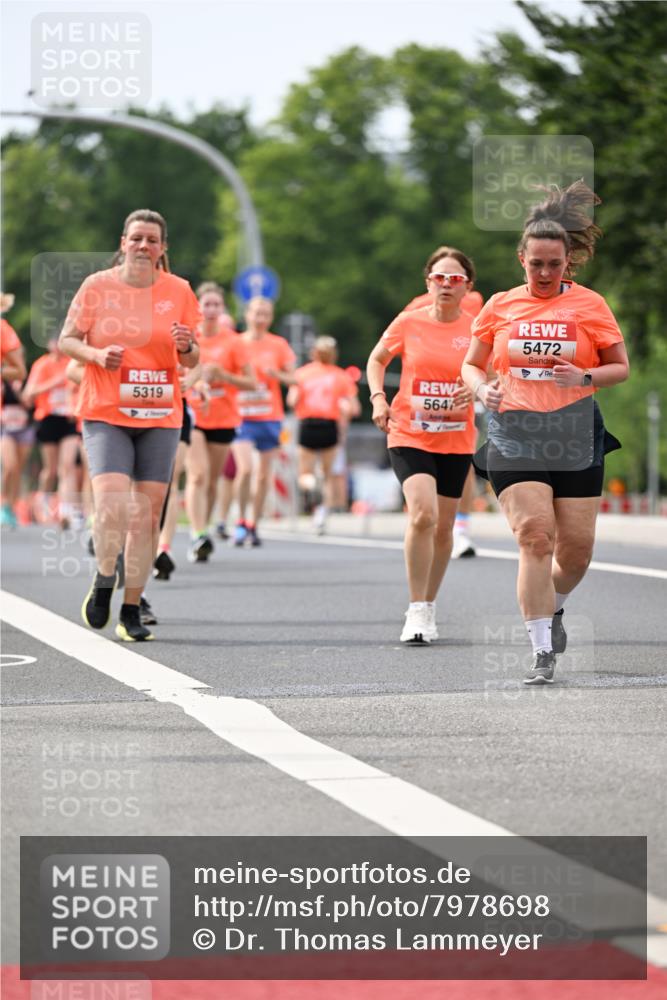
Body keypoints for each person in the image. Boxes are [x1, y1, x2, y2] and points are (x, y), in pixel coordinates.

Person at [461, 181, 629, 685]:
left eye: (554, 265)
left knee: (574, 553)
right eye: (536, 264)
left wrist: (583, 376)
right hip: (514, 430)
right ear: (521, 258)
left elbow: (619, 367)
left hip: (575, 432)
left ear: (567, 262)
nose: (545, 273)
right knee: (535, 536)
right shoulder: (499, 306)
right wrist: (480, 390)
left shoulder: (590, 307)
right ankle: (540, 651)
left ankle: (554, 607)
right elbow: (471, 364)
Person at [59, 208, 200, 641]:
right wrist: (97, 357)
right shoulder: (97, 286)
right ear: (123, 242)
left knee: (147, 516)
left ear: (162, 249)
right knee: (113, 505)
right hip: (106, 410)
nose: (143, 246)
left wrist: (187, 346)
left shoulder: (179, 290)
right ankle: (104, 580)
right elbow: (67, 340)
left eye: (152, 240)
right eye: (136, 238)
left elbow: (194, 358)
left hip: (160, 414)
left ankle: (132, 608)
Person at [367, 247, 477, 643]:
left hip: (455, 437)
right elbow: (377, 360)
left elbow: (496, 373)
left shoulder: (477, 329)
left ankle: (429, 605)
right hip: (409, 432)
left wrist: (477, 389)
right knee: (423, 515)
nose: (446, 285)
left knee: (445, 527)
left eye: (455, 279)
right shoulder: (409, 322)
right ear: (427, 282)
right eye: (439, 277)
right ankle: (415, 609)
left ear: (467, 286)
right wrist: (378, 397)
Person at [184, 281, 255, 562]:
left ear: (222, 308)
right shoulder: (189, 338)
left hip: (224, 417)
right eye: (206, 304)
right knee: (198, 475)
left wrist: (223, 376)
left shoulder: (234, 341)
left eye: (216, 304)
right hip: (193, 412)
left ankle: (203, 531)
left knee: (212, 481)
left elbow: (251, 382)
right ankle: (197, 533)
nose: (211, 309)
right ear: (198, 308)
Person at [232, 297, 296, 547]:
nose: (260, 318)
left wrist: (275, 375)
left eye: (265, 314)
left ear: (271, 317)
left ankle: (253, 524)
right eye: (256, 313)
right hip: (241, 416)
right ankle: (239, 520)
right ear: (247, 315)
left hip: (269, 417)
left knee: (263, 476)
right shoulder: (236, 343)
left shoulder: (278, 345)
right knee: (246, 469)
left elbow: (294, 380)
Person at [287, 336, 360, 534]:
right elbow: (353, 407)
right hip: (329, 425)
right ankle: (321, 516)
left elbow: (292, 400)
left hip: (308, 424)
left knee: (305, 473)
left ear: (313, 353)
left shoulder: (302, 374)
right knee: (328, 475)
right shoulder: (340, 376)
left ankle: (311, 486)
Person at [22, 336, 81, 528]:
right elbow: (29, 393)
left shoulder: (71, 364)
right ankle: (43, 506)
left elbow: (79, 389)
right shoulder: (42, 365)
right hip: (47, 419)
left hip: (68, 419)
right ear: (49, 345)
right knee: (51, 470)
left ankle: (66, 511)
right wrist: (55, 382)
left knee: (68, 466)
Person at [1, 294, 30, 528]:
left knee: (12, 466)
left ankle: (7, 505)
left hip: (16, 423)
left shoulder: (3, 329)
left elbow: (19, 371)